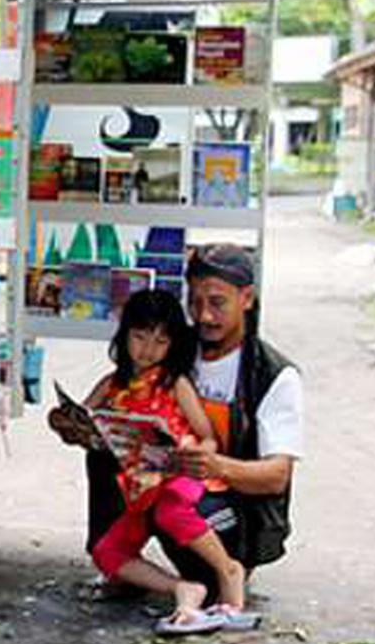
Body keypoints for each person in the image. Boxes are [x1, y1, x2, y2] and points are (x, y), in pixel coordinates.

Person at [52, 244, 303, 608]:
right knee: (104, 457)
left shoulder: (273, 375)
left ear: (246, 298)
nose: (203, 316)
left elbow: (277, 475)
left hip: (220, 502)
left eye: (217, 303)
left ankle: (223, 570)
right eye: (195, 303)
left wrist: (214, 465)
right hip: (156, 482)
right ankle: (127, 572)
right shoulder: (176, 347)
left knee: (189, 533)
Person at [71, 290, 251, 634]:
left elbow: (207, 434)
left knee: (170, 509)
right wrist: (72, 427)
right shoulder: (111, 385)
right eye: (139, 337)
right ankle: (183, 590)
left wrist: (201, 454)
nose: (147, 349)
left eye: (160, 341)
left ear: (172, 345)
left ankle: (228, 570)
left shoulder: (174, 384)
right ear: (124, 336)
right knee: (106, 551)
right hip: (139, 487)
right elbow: (83, 419)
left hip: (178, 477)